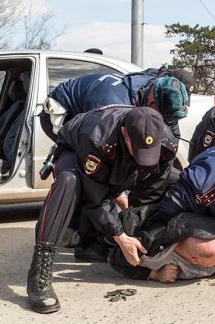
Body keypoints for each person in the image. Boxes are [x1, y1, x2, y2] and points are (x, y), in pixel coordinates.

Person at [27, 105, 169, 314]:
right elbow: (95, 199)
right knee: (70, 182)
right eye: (136, 147)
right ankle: (39, 272)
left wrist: (136, 222)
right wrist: (121, 236)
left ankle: (94, 246)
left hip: (112, 159)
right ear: (124, 133)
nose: (143, 155)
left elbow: (153, 187)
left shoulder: (166, 141)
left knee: (176, 180)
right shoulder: (97, 137)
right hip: (75, 150)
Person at [40, 73, 188, 141]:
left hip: (95, 102)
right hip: (61, 113)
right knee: (82, 167)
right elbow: (95, 145)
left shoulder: (153, 84)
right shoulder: (113, 109)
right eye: (161, 116)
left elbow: (170, 129)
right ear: (151, 104)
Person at [108, 205, 215, 283]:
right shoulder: (148, 248)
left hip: (189, 220)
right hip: (142, 225)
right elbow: (114, 260)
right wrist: (154, 275)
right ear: (194, 260)